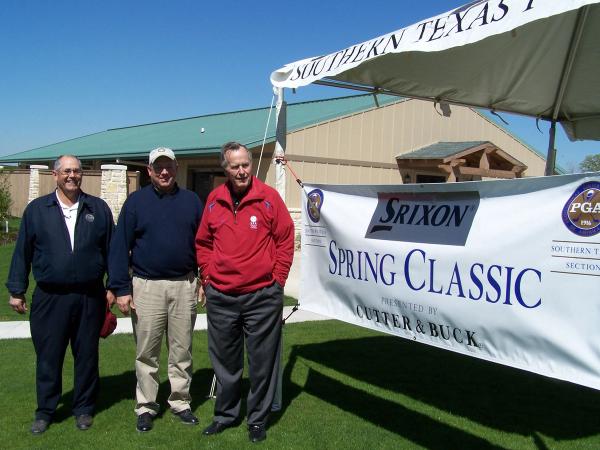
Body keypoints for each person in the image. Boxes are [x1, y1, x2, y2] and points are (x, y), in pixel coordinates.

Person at [6, 155, 114, 434]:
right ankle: (45, 411)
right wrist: (17, 290)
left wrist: (115, 286)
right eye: (66, 171)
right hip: (50, 298)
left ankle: (84, 408)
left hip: (90, 296)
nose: (72, 176)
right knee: (48, 357)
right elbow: (22, 254)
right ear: (55, 175)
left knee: (87, 356)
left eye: (77, 171)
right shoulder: (37, 210)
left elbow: (112, 252)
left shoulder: (98, 208)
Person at [195, 141, 294, 443]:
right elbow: (203, 243)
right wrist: (208, 275)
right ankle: (225, 415)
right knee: (225, 363)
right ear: (225, 169)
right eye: (235, 166)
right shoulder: (214, 200)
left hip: (262, 296)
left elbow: (285, 239)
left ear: (251, 165)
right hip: (222, 296)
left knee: (262, 362)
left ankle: (257, 419)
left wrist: (277, 280)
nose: (241, 171)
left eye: (245, 165)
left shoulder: (268, 198)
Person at [108, 147, 203, 433]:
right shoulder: (136, 202)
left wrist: (205, 280)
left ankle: (180, 402)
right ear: (149, 170)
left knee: (181, 350)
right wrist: (121, 288)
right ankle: (146, 406)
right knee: (146, 352)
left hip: (185, 285)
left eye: (169, 167)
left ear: (176, 168)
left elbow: (204, 244)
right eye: (158, 167)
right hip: (146, 286)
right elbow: (118, 247)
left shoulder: (192, 201)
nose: (164, 172)